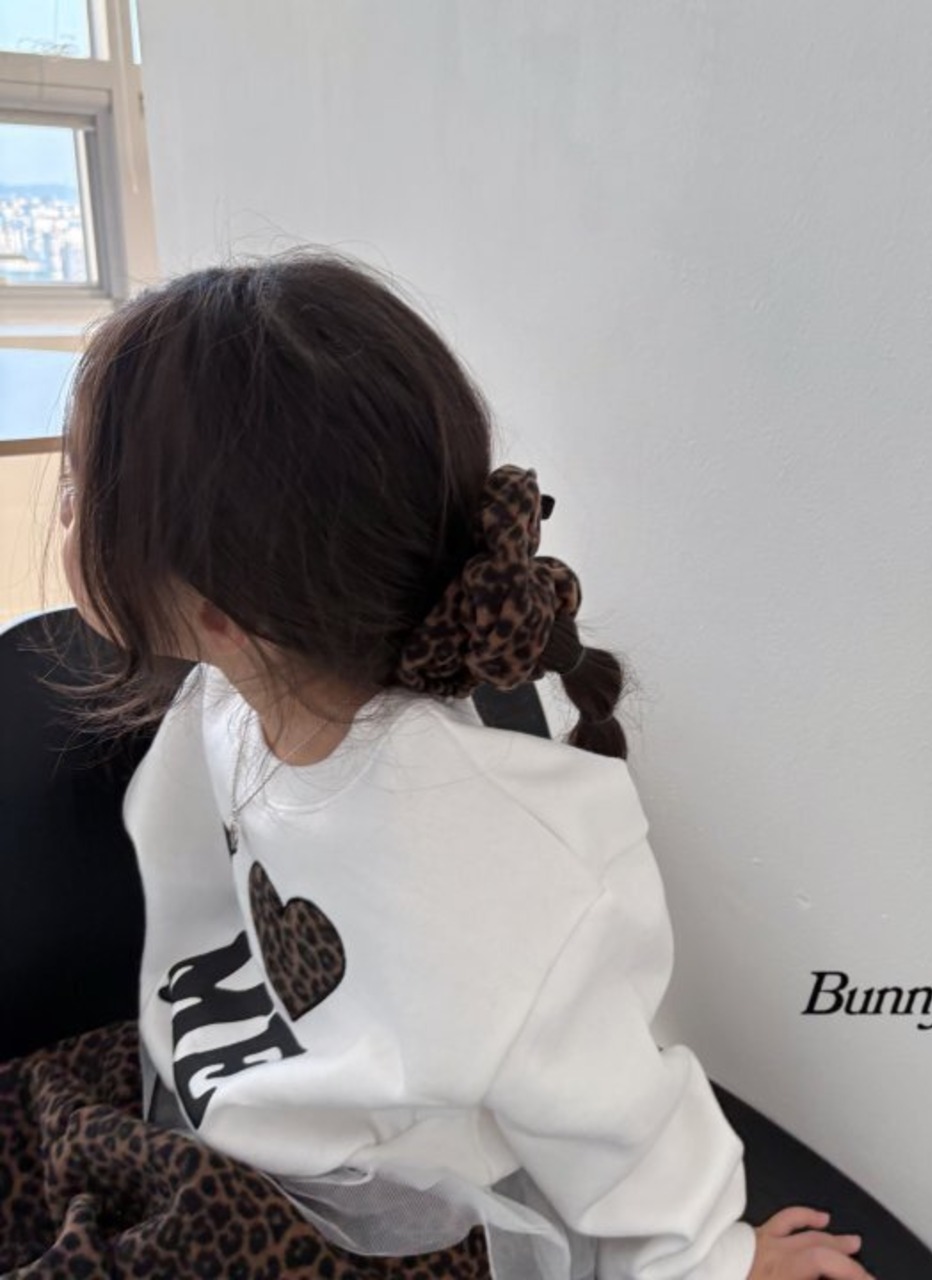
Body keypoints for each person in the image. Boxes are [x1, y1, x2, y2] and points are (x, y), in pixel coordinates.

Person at [44, 247, 875, 1280]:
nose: (62, 508)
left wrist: (714, 1254)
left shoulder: (487, 858)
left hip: (365, 1214)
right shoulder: (228, 693)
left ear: (219, 613)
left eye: (77, 490)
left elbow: (614, 1097)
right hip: (233, 1099)